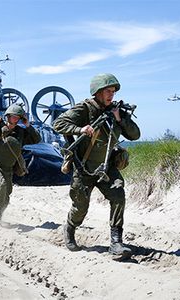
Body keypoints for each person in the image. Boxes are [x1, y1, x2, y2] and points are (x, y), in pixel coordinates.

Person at [53, 73, 140, 257]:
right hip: (84, 169)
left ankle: (116, 242)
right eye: (108, 91)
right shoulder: (85, 109)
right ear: (98, 92)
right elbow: (58, 123)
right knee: (80, 209)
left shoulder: (117, 111)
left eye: (113, 91)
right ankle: (69, 227)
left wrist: (119, 119)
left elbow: (135, 135)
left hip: (106, 168)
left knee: (118, 195)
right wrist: (80, 129)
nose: (111, 95)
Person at [0, 104, 41, 221]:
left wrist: (28, 125)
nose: (15, 119)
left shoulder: (20, 132)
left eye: (18, 117)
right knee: (0, 184)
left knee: (6, 195)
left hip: (8, 167)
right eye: (13, 116)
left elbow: (37, 139)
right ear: (7, 116)